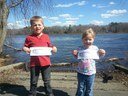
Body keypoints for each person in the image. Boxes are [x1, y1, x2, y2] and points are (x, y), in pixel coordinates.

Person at [23, 16, 57, 96]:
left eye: (39, 24)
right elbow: (25, 46)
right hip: (34, 64)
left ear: (43, 26)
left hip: (46, 63)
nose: (37, 27)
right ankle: (32, 93)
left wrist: (54, 48)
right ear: (31, 27)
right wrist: (25, 49)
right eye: (35, 25)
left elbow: (50, 46)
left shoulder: (46, 36)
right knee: (33, 81)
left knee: (47, 80)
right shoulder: (29, 38)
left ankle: (49, 93)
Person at [72, 28, 105, 96]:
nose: (87, 41)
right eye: (85, 39)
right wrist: (74, 54)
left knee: (89, 88)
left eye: (90, 39)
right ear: (82, 40)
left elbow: (99, 56)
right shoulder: (79, 48)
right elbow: (78, 58)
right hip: (81, 72)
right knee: (80, 88)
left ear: (93, 39)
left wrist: (102, 53)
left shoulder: (95, 48)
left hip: (91, 72)